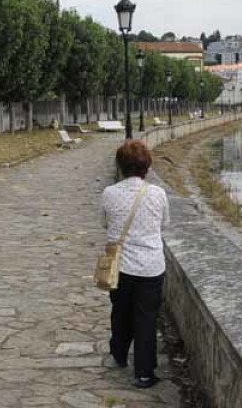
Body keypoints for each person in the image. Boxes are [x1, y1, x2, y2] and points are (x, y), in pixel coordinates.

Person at [101, 139, 170, 389]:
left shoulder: (109, 193)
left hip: (120, 265)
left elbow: (105, 224)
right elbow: (165, 225)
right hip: (151, 266)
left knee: (120, 311)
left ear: (121, 166)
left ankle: (119, 354)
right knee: (146, 318)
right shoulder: (157, 193)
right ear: (147, 167)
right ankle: (144, 373)